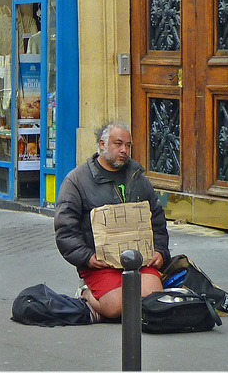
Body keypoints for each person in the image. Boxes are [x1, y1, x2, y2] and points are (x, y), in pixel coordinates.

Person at [54, 120, 170, 322]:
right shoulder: (77, 180)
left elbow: (158, 221)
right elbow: (65, 228)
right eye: (118, 144)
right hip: (99, 263)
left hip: (138, 260)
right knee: (116, 307)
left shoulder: (138, 179)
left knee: (153, 299)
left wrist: (160, 251)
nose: (124, 150)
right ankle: (86, 294)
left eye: (128, 145)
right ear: (102, 144)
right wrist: (87, 257)